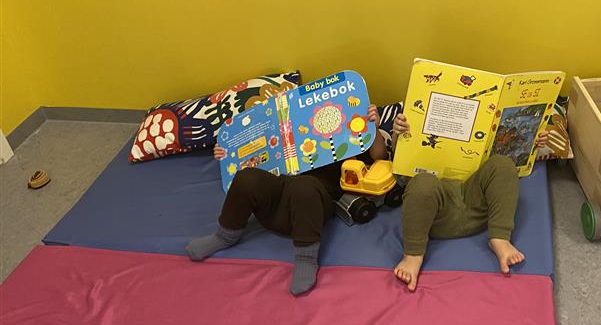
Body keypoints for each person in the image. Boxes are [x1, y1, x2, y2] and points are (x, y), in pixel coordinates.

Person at [187, 104, 388, 296]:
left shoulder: (351, 140)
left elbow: (379, 156)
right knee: (247, 177)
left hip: (313, 206)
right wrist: (227, 153)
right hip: (278, 198)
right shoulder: (293, 129)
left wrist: (374, 128)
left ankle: (306, 256)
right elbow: (255, 153)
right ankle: (225, 235)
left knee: (304, 186)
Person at [391, 113, 546, 292]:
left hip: (477, 198)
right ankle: (413, 254)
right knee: (422, 184)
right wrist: (397, 136)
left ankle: (500, 237)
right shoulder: (411, 112)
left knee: (503, 164)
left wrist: (532, 140)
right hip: (435, 211)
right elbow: (402, 166)